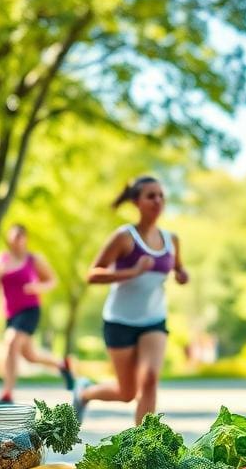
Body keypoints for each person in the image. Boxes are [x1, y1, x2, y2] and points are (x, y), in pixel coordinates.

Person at [72, 176, 189, 425]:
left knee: (150, 379)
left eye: (161, 195)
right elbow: (93, 274)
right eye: (151, 196)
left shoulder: (172, 240)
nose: (158, 201)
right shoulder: (125, 236)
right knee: (127, 393)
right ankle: (84, 393)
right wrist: (132, 272)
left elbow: (179, 268)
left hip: (154, 320)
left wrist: (182, 274)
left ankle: (144, 443)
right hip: (120, 321)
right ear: (137, 202)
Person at [0, 224, 74, 404]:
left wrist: (38, 287)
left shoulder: (34, 259)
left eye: (20, 236)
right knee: (30, 356)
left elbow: (52, 280)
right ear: (8, 240)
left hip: (30, 309)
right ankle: (62, 364)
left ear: (25, 239)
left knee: (11, 342)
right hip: (11, 313)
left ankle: (7, 394)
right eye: (13, 237)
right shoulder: (0, 260)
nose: (16, 241)